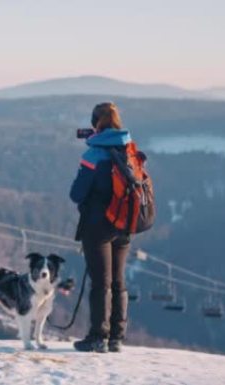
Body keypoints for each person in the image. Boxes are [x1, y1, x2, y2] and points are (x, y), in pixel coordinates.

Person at [70, 102, 132, 353]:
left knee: (101, 283)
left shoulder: (93, 155)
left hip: (99, 227)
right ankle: (117, 337)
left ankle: (98, 337)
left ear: (96, 124)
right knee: (119, 281)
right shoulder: (129, 149)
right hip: (125, 224)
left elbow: (76, 194)